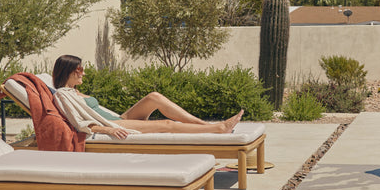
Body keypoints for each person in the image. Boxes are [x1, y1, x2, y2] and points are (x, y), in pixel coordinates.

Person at [51, 54, 243, 140]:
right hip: (115, 125)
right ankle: (219, 129)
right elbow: (79, 123)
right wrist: (108, 131)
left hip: (120, 118)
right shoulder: (63, 95)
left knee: (154, 96)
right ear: (68, 71)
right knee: (166, 125)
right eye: (80, 69)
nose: (83, 73)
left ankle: (205, 125)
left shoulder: (74, 92)